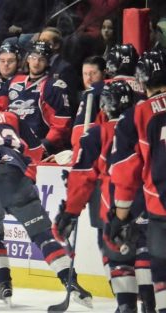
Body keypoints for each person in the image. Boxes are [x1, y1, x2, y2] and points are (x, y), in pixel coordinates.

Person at [0, 78, 92, 307]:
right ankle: (71, 283)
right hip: (18, 181)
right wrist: (27, 176)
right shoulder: (13, 117)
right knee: (43, 235)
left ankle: (5, 286)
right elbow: (37, 152)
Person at [53, 81, 155, 312]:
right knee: (145, 253)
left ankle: (126, 306)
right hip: (150, 200)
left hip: (115, 202)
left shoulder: (96, 134)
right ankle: (150, 306)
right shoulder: (145, 125)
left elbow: (82, 178)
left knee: (117, 257)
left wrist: (70, 212)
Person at [110, 48, 166, 313]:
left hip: (161, 205)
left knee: (163, 273)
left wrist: (120, 215)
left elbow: (126, 170)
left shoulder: (136, 114)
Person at [7, 41, 72, 155]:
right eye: (33, 57)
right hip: (11, 143)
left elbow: (61, 124)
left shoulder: (54, 86)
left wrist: (44, 146)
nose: (36, 63)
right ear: (27, 59)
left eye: (41, 59)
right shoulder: (13, 81)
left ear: (47, 63)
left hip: (39, 146)